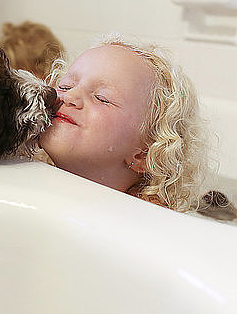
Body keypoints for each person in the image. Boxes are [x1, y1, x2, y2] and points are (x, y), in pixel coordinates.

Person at [38, 33, 213, 211]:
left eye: (102, 98)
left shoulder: (147, 225)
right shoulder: (24, 173)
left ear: (144, 155)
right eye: (65, 86)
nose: (70, 96)